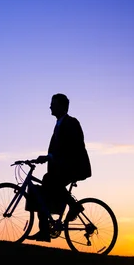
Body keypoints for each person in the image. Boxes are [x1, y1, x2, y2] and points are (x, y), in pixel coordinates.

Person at [27, 93, 92, 242]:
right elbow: (56, 150)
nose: (50, 106)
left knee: (50, 181)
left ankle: (74, 207)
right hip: (63, 167)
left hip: (75, 167)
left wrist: (50, 157)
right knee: (44, 189)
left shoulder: (71, 123)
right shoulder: (59, 124)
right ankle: (44, 230)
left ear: (62, 106)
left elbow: (72, 147)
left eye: (53, 103)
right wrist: (46, 157)